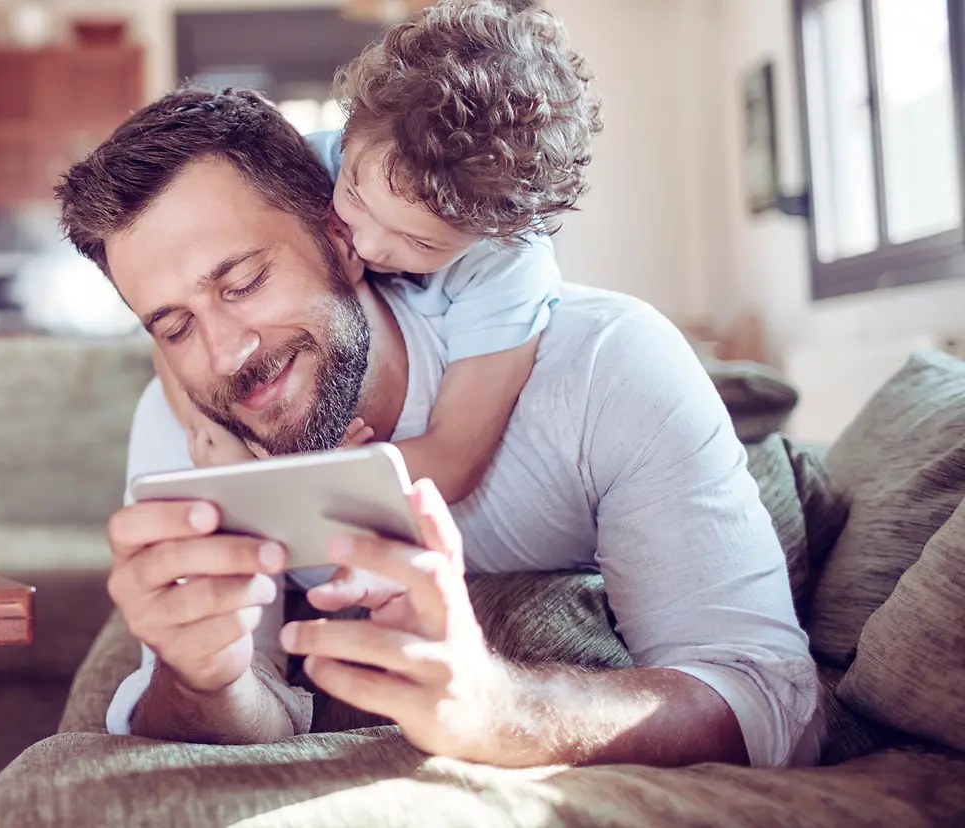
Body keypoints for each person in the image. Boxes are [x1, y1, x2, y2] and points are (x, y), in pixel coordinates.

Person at [55, 86, 819, 768]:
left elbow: (773, 700)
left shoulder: (603, 364)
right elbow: (244, 714)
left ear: (343, 240)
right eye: (175, 326)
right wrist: (202, 679)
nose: (228, 353)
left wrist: (501, 708)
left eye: (245, 282)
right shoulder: (182, 427)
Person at [154, 0, 601, 512]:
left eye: (421, 243)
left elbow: (452, 458)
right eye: (356, 200)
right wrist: (225, 448)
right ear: (347, 137)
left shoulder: (507, 264)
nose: (365, 246)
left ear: (491, 236)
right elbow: (173, 313)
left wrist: (317, 478)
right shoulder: (300, 172)